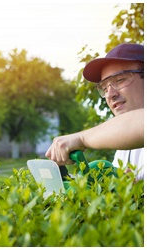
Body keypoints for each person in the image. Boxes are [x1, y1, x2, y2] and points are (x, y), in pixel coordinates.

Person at [45, 43, 144, 180]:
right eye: (104, 88)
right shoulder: (125, 145)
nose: (110, 94)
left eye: (120, 80)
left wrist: (81, 138)